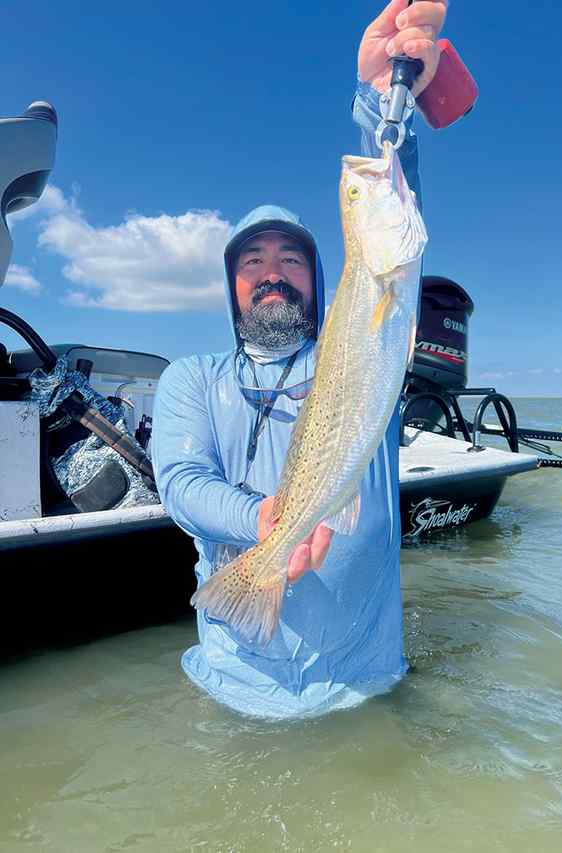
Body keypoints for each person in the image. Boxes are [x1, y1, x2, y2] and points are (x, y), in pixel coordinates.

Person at [152, 0, 450, 718]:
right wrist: (265, 521)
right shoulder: (192, 378)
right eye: (252, 260)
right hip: (236, 688)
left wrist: (384, 97)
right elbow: (182, 482)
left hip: (371, 681)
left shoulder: (364, 331)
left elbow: (388, 190)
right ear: (230, 286)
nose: (273, 271)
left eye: (292, 257)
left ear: (322, 280)